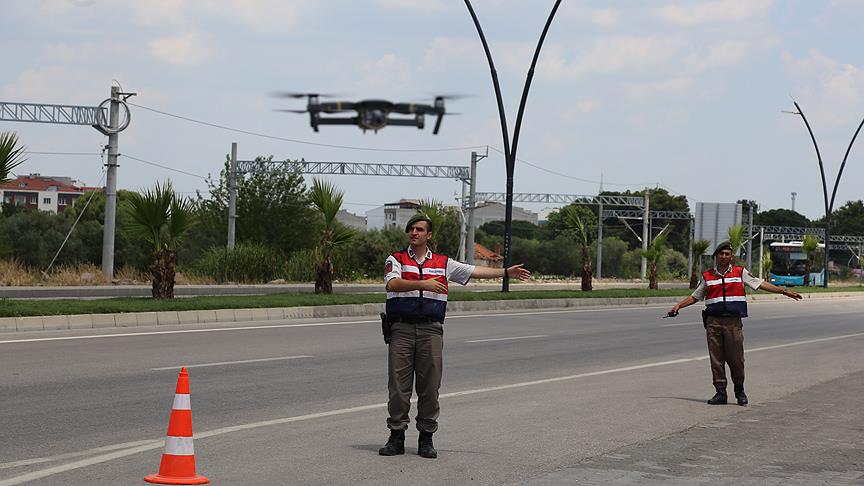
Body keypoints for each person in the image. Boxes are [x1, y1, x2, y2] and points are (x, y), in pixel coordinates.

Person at [378, 213, 531, 459]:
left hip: (430, 329)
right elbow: (392, 284)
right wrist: (424, 284)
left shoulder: (442, 262)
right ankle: (396, 436)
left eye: (419, 229)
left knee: (430, 387)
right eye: (411, 229)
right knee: (398, 387)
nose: (414, 233)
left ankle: (426, 437)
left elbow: (473, 271)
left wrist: (506, 272)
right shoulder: (395, 259)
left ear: (429, 235)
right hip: (402, 329)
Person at [668, 241, 802, 406]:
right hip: (713, 323)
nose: (724, 257)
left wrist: (784, 291)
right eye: (721, 254)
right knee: (716, 360)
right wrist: (679, 306)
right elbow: (696, 296)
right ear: (716, 256)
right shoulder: (707, 276)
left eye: (727, 254)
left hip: (733, 323)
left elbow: (760, 284)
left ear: (731, 257)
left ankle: (739, 391)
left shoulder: (740, 272)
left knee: (736, 360)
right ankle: (720, 393)